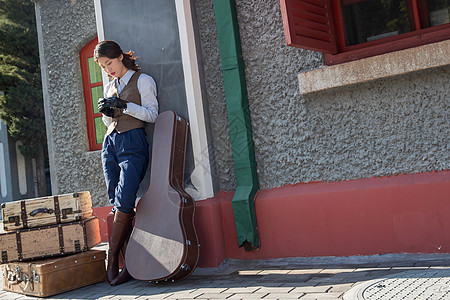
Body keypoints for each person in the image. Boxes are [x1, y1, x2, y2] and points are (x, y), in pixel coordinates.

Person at [94, 40, 158, 286]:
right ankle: (130, 263)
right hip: (110, 144)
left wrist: (125, 106)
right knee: (115, 198)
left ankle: (113, 262)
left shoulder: (143, 80)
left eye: (109, 63)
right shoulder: (110, 86)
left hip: (133, 142)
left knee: (125, 199)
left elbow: (152, 114)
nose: (107, 69)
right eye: (102, 66)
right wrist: (107, 114)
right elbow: (108, 124)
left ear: (120, 56)